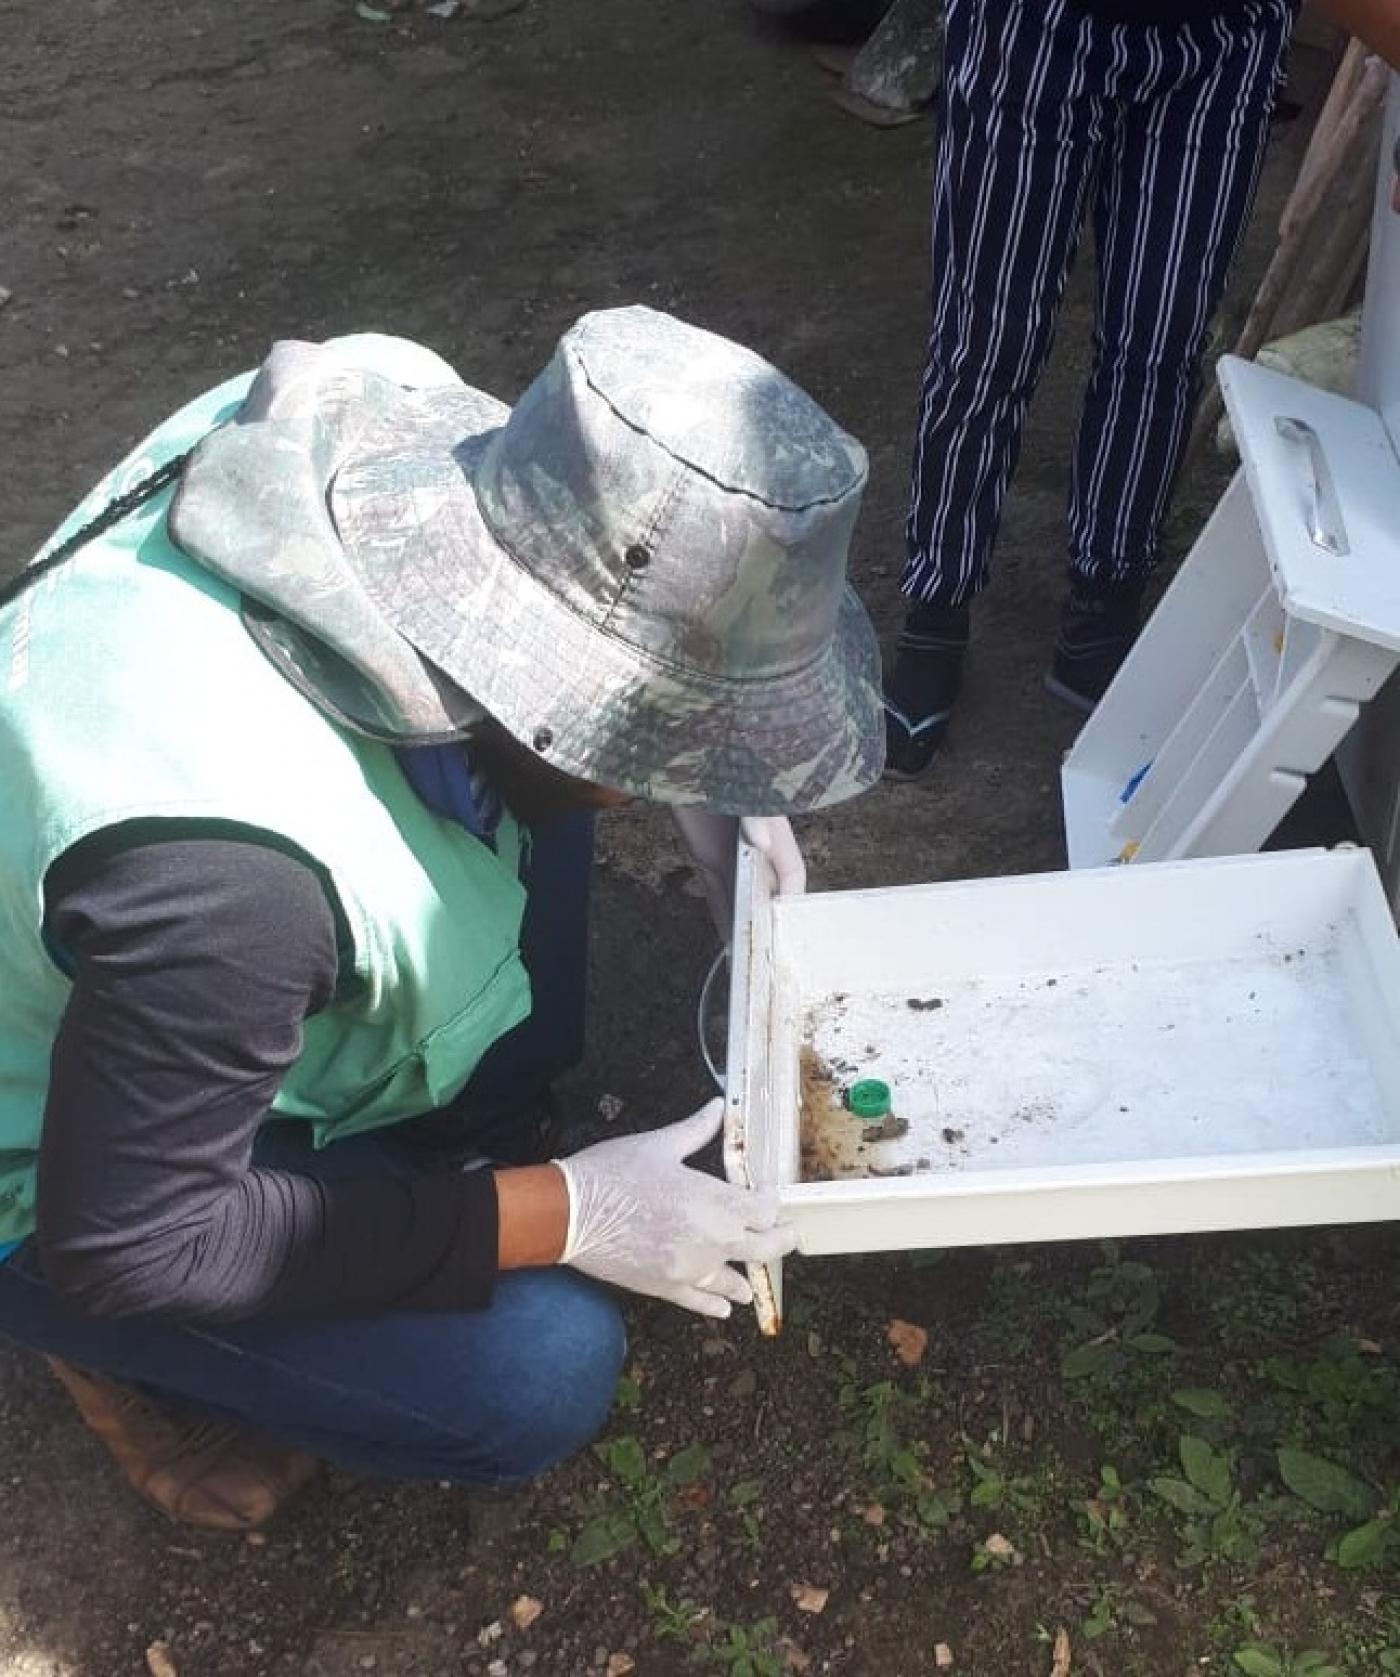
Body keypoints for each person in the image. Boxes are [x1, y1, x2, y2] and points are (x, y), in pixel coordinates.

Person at [0, 309, 883, 1529]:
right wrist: (568, 1211)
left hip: (159, 989)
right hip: (70, 1165)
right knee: (533, 1367)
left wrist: (694, 769)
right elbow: (135, 1241)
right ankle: (115, 1356)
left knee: (549, 813)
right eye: (674, 732)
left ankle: (445, 1142)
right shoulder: (230, 880)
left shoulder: (409, 427)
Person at [883, 0, 1302, 777]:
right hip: (1038, 30)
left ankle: (1103, 607)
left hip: (1225, 43)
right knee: (987, 334)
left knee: (1161, 341)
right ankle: (935, 610)